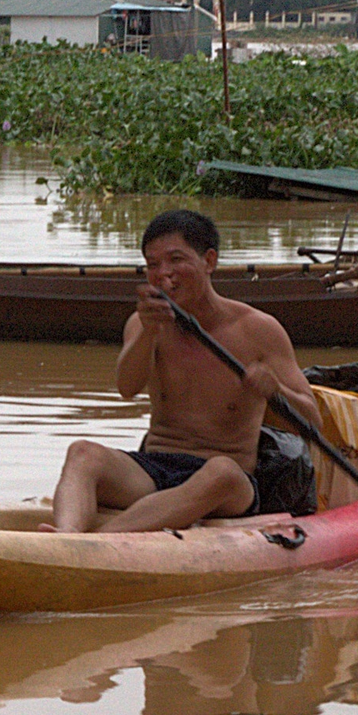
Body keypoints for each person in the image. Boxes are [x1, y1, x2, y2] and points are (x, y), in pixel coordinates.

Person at [45, 209, 319, 533]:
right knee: (83, 453)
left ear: (209, 261)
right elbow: (127, 388)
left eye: (176, 260)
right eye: (152, 265)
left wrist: (276, 390)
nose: (164, 274)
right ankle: (67, 538)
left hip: (226, 485)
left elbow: (313, 424)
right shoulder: (144, 323)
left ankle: (96, 544)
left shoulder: (259, 330)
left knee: (221, 472)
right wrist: (148, 331)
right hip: (154, 469)